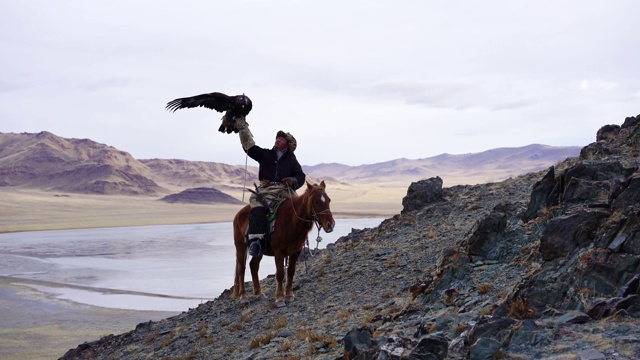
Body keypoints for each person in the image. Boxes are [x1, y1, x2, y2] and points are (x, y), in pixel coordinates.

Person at [234, 116, 306, 256]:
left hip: (285, 192)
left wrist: (292, 180)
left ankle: (298, 239)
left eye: (281, 139)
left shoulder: (292, 159)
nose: (277, 140)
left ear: (287, 144)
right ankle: (255, 241)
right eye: (277, 138)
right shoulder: (266, 154)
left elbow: (301, 177)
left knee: (298, 210)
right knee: (258, 207)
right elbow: (250, 147)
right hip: (266, 191)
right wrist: (243, 128)